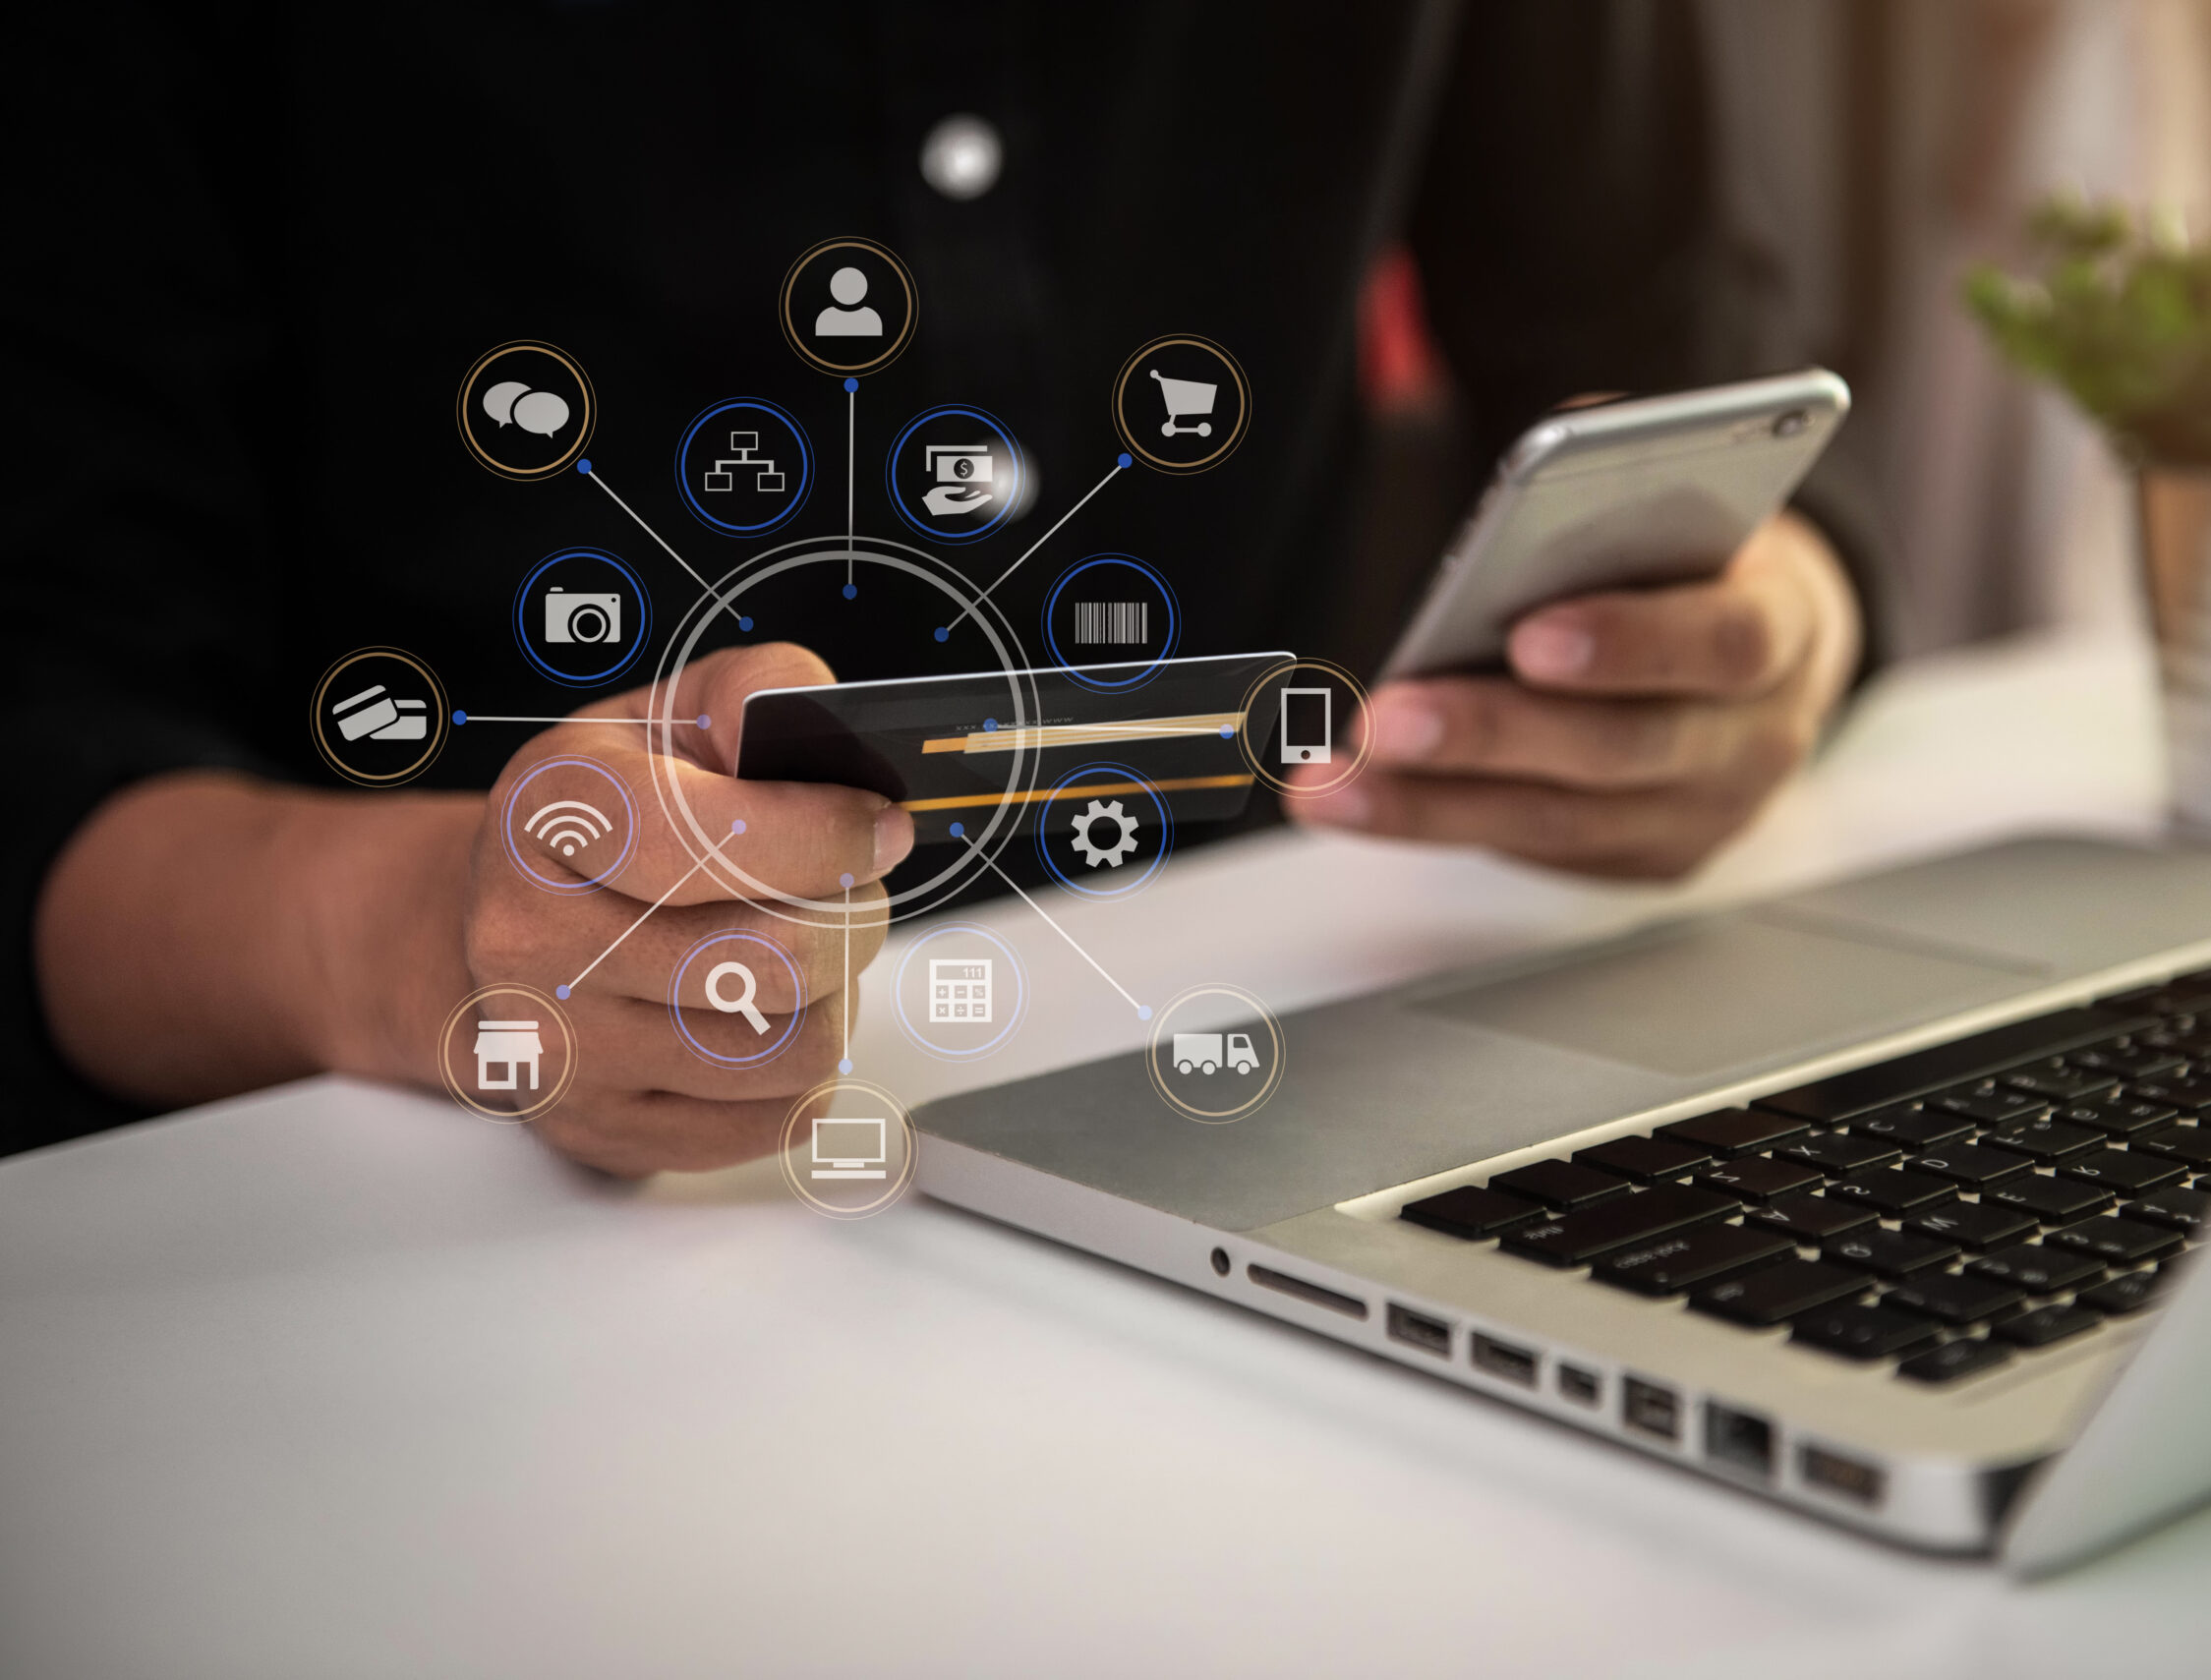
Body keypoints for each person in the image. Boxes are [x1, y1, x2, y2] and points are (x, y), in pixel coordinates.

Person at [5, 3, 1875, 1172]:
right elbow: (52, 761)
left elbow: (1691, 395)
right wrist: (425, 943)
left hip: (1286, 1075)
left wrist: (1764, 631)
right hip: (393, 1214)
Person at [816, 267, 885, 337]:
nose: (848, 289)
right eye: (843, 284)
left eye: (853, 285)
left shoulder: (871, 318)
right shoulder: (826, 318)